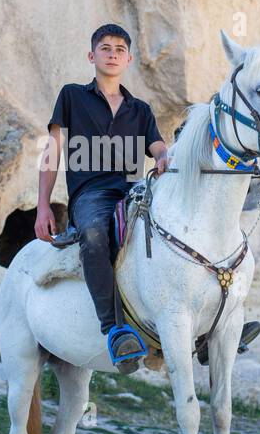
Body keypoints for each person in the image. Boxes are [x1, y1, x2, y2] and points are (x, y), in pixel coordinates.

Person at [36, 24, 168, 373]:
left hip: (133, 191)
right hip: (91, 193)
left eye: (120, 49)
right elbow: (52, 153)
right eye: (105, 48)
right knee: (94, 235)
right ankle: (115, 330)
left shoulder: (140, 109)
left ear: (129, 59)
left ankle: (201, 329)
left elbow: (157, 147)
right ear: (92, 55)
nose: (112, 53)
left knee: (176, 230)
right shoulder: (71, 96)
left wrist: (166, 156)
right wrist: (43, 206)